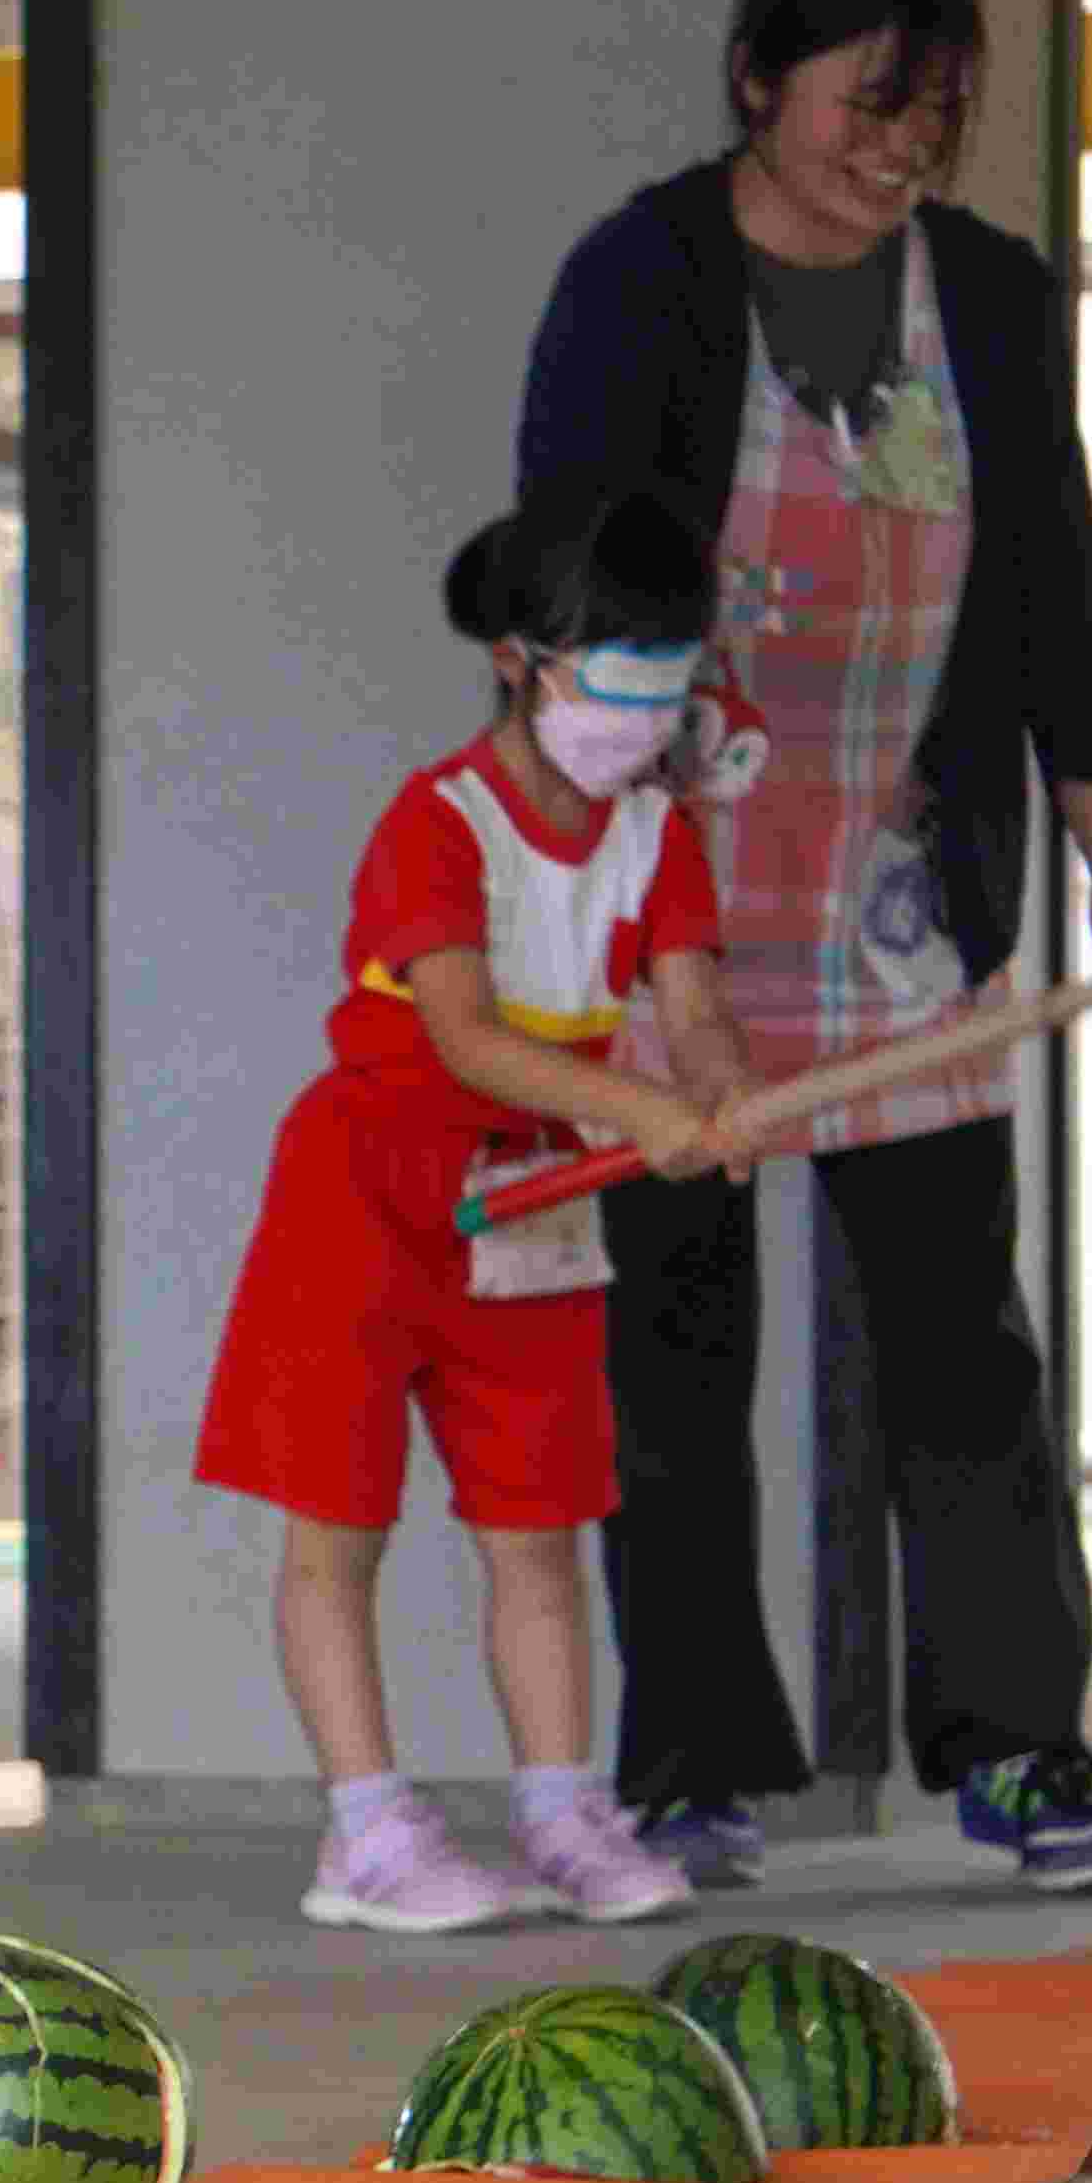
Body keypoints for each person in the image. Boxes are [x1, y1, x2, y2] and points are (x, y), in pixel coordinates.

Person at [516, 0, 1092, 1896]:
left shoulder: (988, 293)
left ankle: (1024, 1747)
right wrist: (608, 924)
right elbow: (565, 610)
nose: (899, 149)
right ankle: (694, 1759)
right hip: (673, 875)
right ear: (756, 79)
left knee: (963, 1335)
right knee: (675, 1336)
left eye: (934, 115)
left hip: (901, 884)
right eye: (870, 103)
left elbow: (1053, 597)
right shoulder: (639, 282)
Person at [196, 482, 750, 1932]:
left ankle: (565, 1810)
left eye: (668, 675)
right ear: (521, 660)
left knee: (540, 1528)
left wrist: (721, 1095)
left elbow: (694, 1009)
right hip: (368, 1201)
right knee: (337, 1529)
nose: (644, 709)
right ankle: (366, 1833)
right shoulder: (434, 824)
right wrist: (645, 1109)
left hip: (540, 1196)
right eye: (617, 673)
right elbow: (465, 1037)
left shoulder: (656, 835)